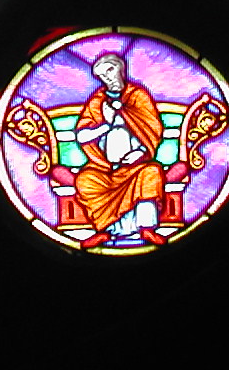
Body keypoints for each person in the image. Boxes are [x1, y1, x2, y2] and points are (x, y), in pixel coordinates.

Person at [70, 52, 172, 249]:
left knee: (151, 173)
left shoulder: (138, 96)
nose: (107, 78)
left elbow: (153, 129)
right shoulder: (97, 102)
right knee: (84, 180)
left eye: (110, 70)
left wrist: (140, 152)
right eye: (102, 75)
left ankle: (147, 229)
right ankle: (105, 231)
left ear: (121, 69)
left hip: (136, 165)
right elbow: (82, 136)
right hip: (104, 168)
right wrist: (105, 125)